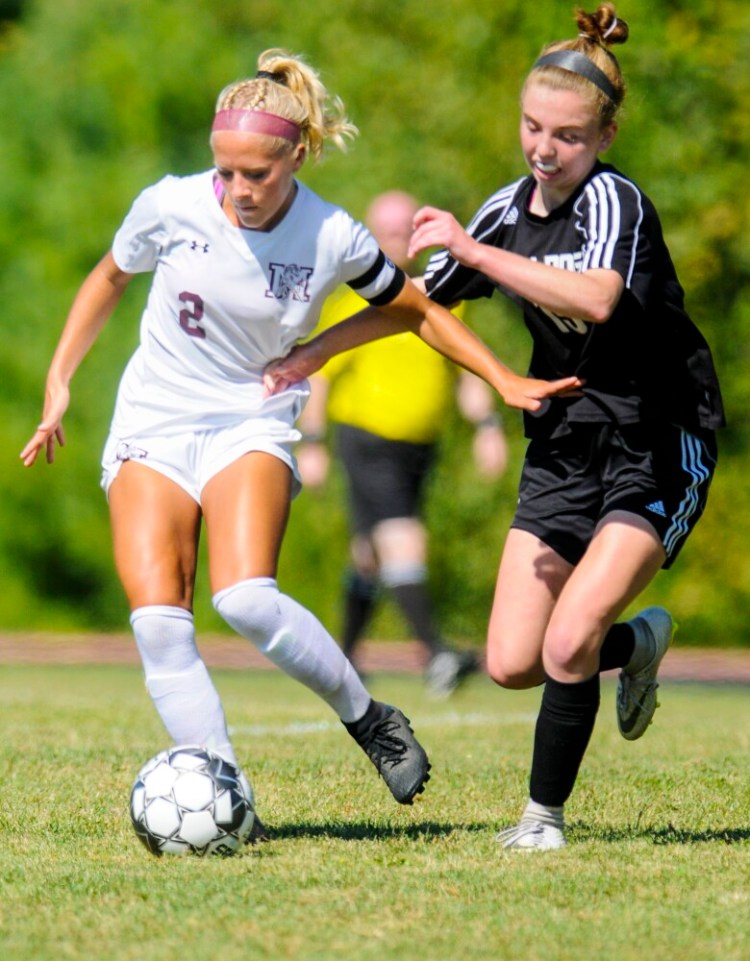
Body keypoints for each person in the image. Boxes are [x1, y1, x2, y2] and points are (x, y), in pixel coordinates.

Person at [20, 49, 581, 829]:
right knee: (157, 620)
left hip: (251, 414)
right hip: (153, 417)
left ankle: (369, 718)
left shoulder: (331, 235)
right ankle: (227, 797)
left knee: (246, 598)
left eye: (258, 174)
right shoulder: (171, 205)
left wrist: (500, 379)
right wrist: (59, 381)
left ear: (298, 155)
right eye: (226, 172)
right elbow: (109, 276)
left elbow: (414, 308)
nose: (239, 191)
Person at [265, 5, 725, 851]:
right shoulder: (505, 208)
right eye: (531, 127)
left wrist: (475, 255)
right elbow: (411, 305)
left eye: (569, 136)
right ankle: (642, 640)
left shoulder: (615, 203)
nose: (545, 148)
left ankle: (542, 820)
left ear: (605, 136)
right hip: (564, 438)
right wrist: (315, 353)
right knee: (516, 658)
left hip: (655, 438)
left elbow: (594, 296)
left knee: (571, 634)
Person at [297, 189, 509, 698]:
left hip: (419, 448)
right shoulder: (352, 302)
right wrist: (312, 442)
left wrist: (487, 429)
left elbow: (467, 368)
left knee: (370, 555)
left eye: (403, 230)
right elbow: (319, 374)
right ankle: (435, 654)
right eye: (385, 231)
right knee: (404, 539)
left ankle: (341, 661)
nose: (396, 239)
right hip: (366, 439)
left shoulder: (443, 297)